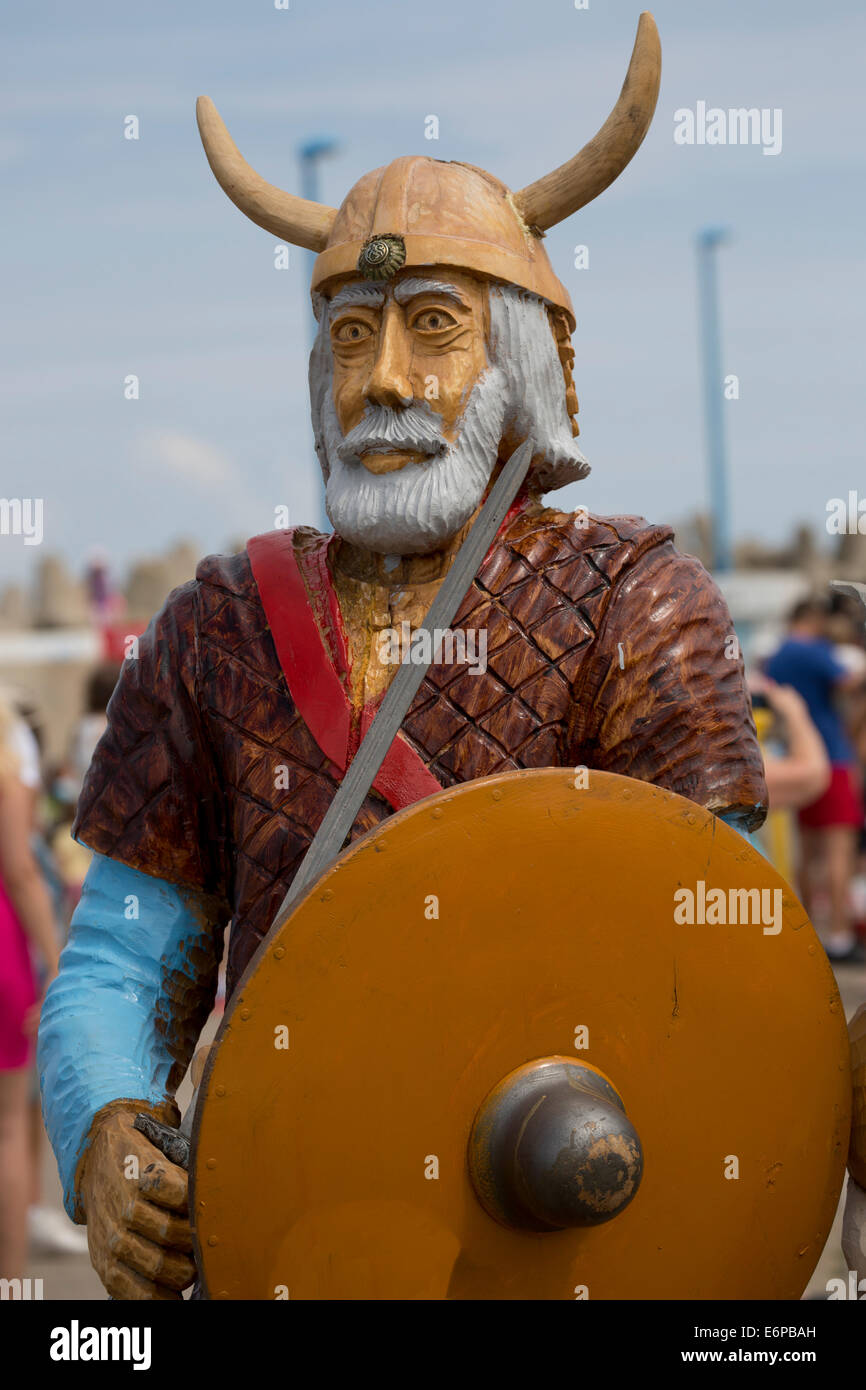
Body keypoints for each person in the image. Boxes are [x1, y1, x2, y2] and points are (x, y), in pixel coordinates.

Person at [38, 17, 769, 1300]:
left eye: (432, 327)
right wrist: (106, 1137)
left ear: (520, 359)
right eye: (348, 334)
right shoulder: (215, 623)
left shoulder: (636, 599)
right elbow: (122, 953)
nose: (379, 380)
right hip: (286, 1217)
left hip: (551, 1223)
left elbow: (722, 936)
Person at [766, 597, 866, 963]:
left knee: (807, 851)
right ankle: (839, 935)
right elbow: (849, 680)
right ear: (814, 618)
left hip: (797, 756)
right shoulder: (814, 649)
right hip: (833, 759)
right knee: (839, 851)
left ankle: (807, 934)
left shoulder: (777, 656)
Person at [0, 698, 61, 1279]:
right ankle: (12, 1286)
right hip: (4, 950)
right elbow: (19, 870)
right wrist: (54, 959)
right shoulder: (9, 750)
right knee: (9, 1127)